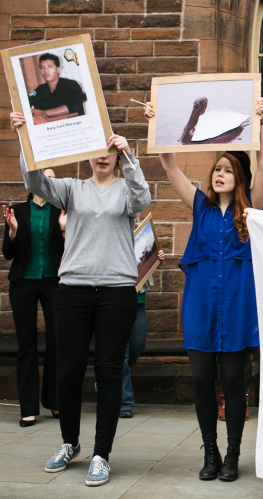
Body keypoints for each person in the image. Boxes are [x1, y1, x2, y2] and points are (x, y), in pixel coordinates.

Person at [10, 111, 150, 487]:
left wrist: (131, 156)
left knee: (107, 373)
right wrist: (25, 137)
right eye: (97, 149)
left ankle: (101, 454)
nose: (103, 155)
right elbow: (34, 180)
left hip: (116, 291)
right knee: (68, 372)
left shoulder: (125, 189)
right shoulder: (72, 188)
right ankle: (69, 442)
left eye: (109, 149)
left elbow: (143, 197)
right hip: (72, 289)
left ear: (116, 155)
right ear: (87, 153)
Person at [145, 98, 263, 482]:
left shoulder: (251, 211)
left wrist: (262, 125)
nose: (219, 174)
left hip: (236, 308)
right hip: (201, 307)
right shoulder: (199, 206)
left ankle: (233, 452)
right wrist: (158, 124)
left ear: (239, 178)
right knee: (201, 379)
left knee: (233, 381)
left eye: (227, 170)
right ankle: (211, 451)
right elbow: (169, 165)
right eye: (216, 169)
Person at [2, 171, 65, 427]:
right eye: (42, 176)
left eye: (51, 177)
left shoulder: (61, 210)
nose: (46, 180)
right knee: (26, 345)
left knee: (56, 341)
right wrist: (13, 232)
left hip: (53, 281)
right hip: (23, 283)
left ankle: (54, 401)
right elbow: (7, 254)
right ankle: (28, 407)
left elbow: (72, 249)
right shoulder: (17, 211)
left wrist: (63, 230)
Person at [119, 250, 165, 419]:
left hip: (138, 299)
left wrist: (156, 258)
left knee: (138, 344)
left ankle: (107, 380)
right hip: (117, 297)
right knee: (120, 354)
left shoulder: (141, 232)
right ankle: (125, 402)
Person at [27, 53, 86, 123]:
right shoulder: (39, 90)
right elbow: (26, 105)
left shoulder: (71, 84)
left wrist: (42, 113)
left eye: (49, 66)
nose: (45, 71)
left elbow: (74, 106)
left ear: (58, 69)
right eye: (42, 67)